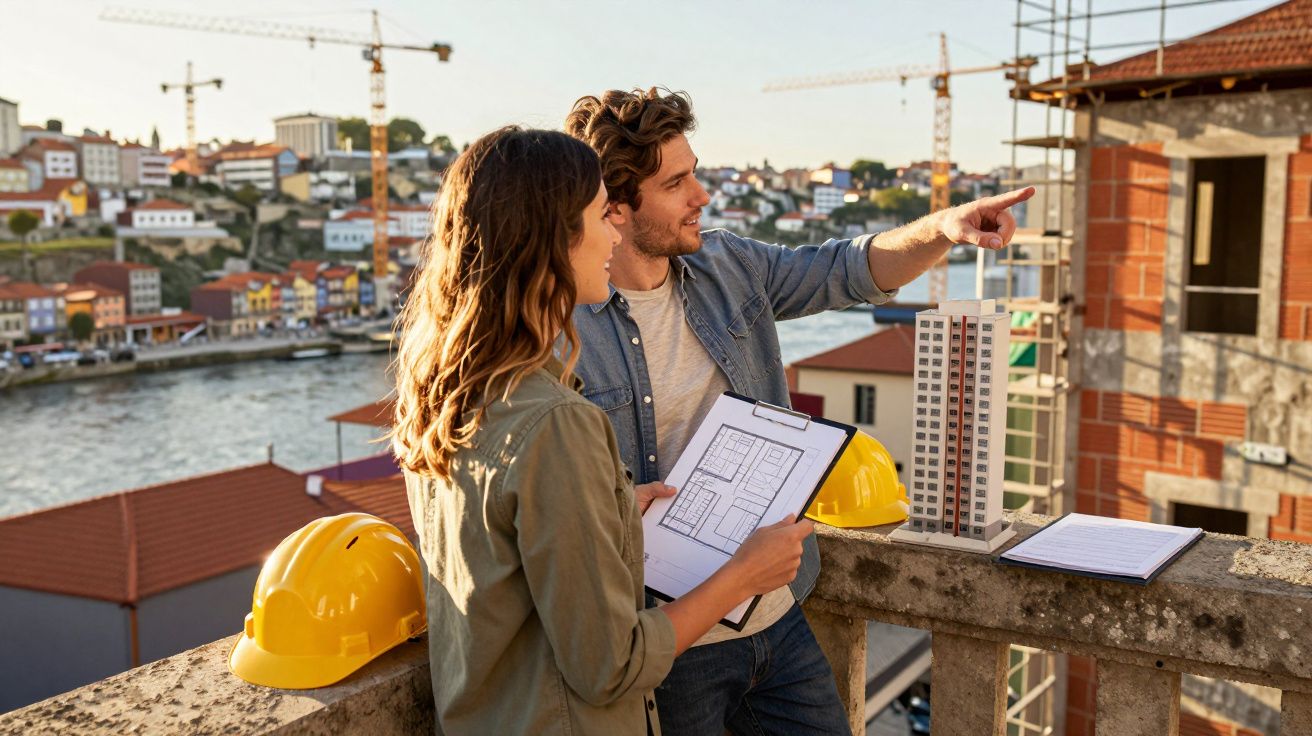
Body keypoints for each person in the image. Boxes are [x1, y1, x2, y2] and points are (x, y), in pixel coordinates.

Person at [565, 87, 1034, 735]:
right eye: (676, 183)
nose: (702, 194)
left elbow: (848, 268)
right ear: (614, 206)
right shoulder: (558, 328)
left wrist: (944, 227)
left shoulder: (730, 264)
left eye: (696, 172)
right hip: (667, 642)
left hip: (778, 614)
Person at [391, 126, 815, 736]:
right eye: (599, 216)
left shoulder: (446, 391)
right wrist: (744, 575)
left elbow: (503, 561)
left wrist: (610, 511)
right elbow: (612, 666)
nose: (615, 235)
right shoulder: (556, 421)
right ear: (552, 242)